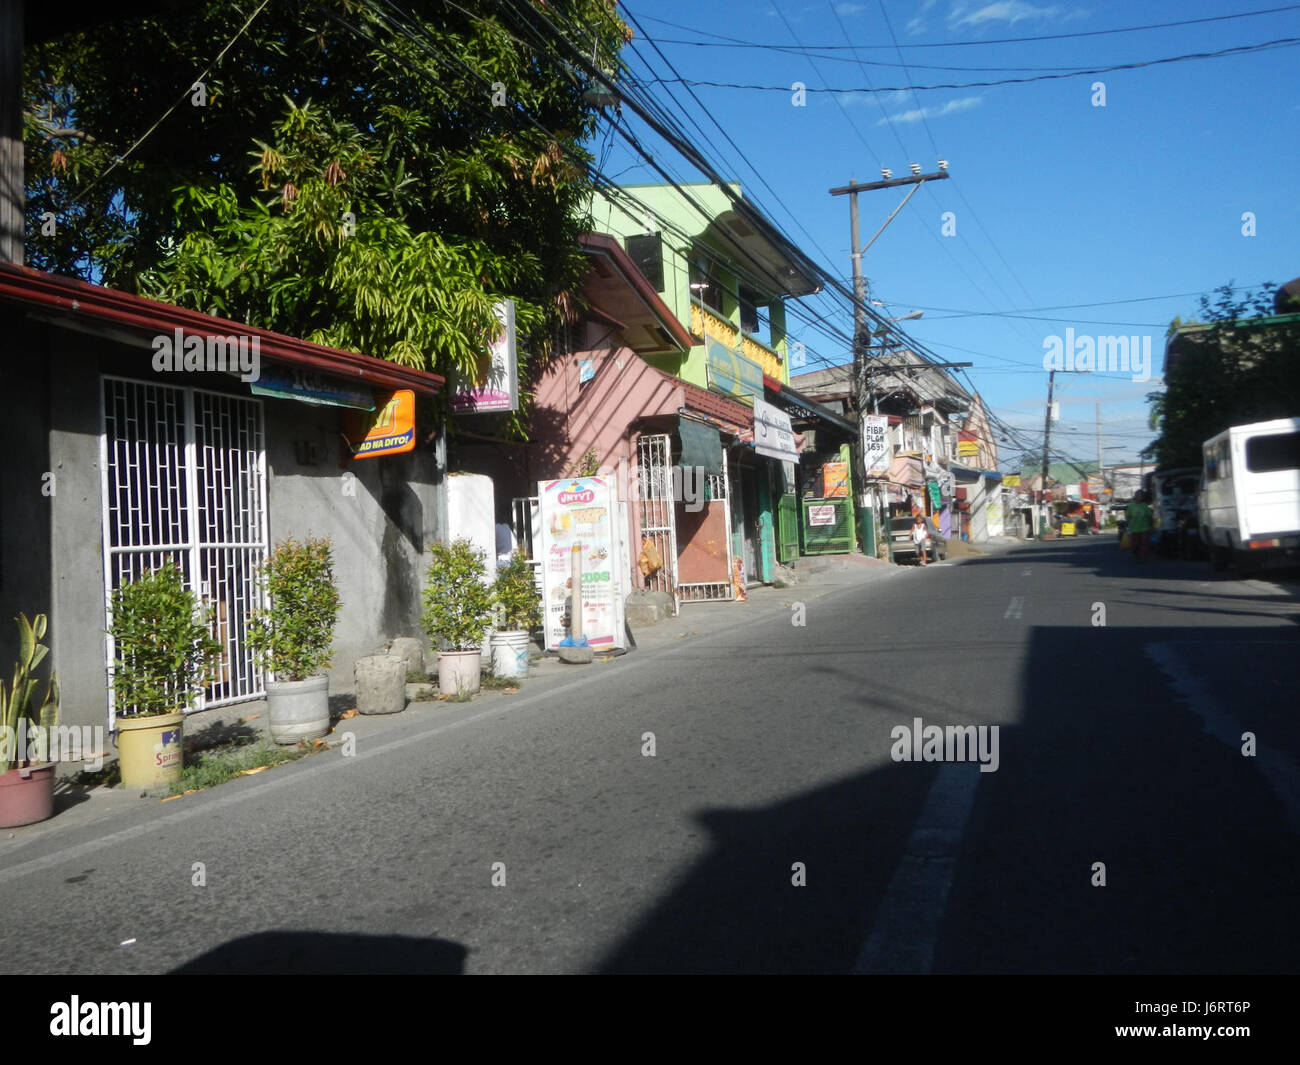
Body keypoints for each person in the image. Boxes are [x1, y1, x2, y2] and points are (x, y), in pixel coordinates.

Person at [1126, 490, 1154, 562]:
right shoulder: (1131, 506)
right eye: (1139, 495)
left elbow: (1150, 517)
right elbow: (1128, 517)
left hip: (1144, 528)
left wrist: (1151, 526)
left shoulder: (1145, 506)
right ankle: (1138, 555)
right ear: (1135, 496)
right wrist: (1129, 525)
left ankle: (1143, 558)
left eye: (1142, 495)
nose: (1140, 496)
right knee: (1135, 545)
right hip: (1135, 529)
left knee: (1144, 544)